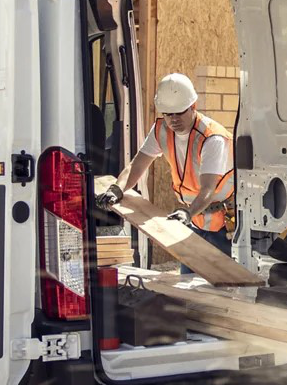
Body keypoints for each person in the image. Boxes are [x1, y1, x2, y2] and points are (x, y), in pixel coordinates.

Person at [97, 72, 234, 262]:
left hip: (223, 225)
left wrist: (187, 213)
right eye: (168, 114)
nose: (173, 120)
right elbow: (138, 164)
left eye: (179, 113)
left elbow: (208, 189)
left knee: (225, 282)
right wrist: (117, 188)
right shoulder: (162, 129)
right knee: (189, 282)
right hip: (194, 220)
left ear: (193, 107)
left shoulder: (212, 138)